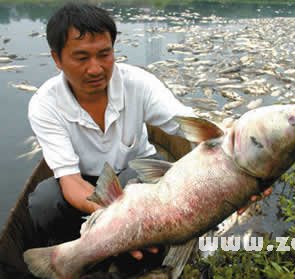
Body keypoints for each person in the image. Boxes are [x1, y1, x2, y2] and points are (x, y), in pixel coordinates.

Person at [27, 2, 272, 276]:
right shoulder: (45, 104)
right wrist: (117, 219)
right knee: (44, 202)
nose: (96, 69)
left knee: (136, 177)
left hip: (140, 176)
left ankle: (137, 260)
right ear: (57, 59)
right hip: (85, 184)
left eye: (104, 54)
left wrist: (240, 162)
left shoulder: (138, 83)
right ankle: (73, 253)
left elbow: (186, 124)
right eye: (82, 58)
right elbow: (70, 182)